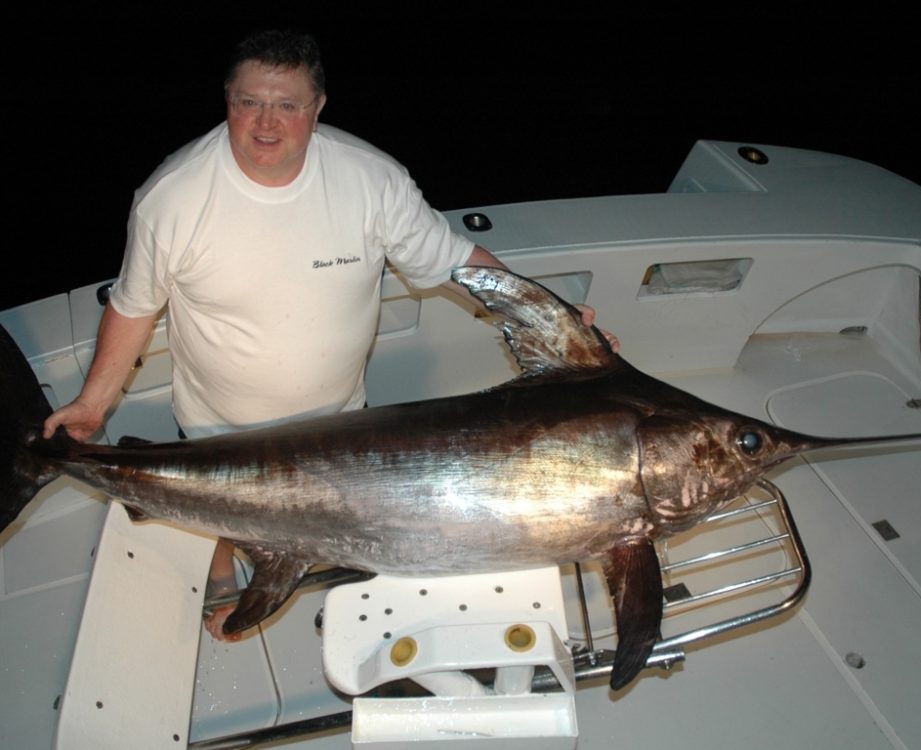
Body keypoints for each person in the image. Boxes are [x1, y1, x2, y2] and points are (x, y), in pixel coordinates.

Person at [43, 29, 617, 641]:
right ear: (227, 100)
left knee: (345, 530)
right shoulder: (172, 198)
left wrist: (546, 314)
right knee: (217, 509)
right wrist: (93, 403)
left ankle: (302, 555)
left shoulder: (369, 179)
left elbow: (455, 260)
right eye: (249, 102)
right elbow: (135, 306)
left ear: (317, 107)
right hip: (219, 425)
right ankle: (220, 548)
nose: (266, 123)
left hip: (340, 424)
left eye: (287, 105)